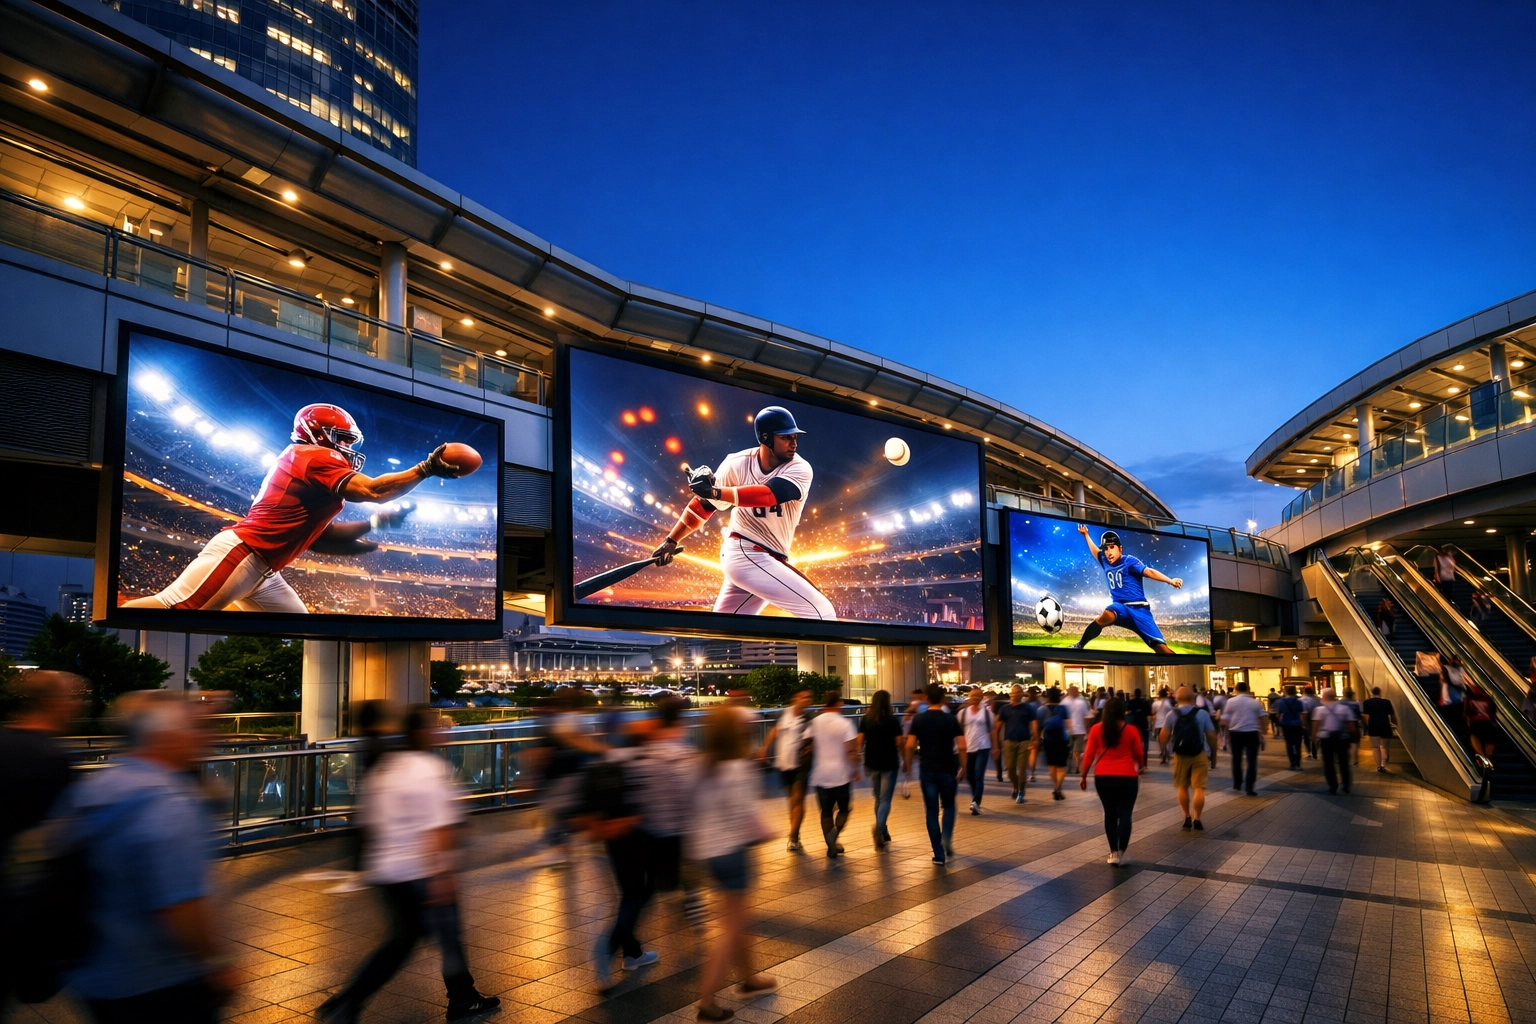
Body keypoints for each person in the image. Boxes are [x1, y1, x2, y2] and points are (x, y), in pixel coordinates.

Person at [123, 403, 465, 612]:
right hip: (245, 553)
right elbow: (375, 490)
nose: (346, 446)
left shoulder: (308, 462)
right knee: (177, 607)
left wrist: (375, 526)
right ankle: (110, 612)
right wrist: (425, 469)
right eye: (341, 437)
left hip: (264, 570)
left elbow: (321, 537)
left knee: (300, 630)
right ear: (318, 434)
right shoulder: (314, 455)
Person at [61, 691, 236, 1024]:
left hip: (94, 972)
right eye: (191, 728)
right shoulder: (168, 803)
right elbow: (181, 907)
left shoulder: (95, 786)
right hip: (157, 981)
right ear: (164, 737)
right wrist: (217, 963)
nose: (200, 737)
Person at [320, 707, 498, 1023]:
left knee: (407, 940)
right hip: (421, 872)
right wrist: (443, 876)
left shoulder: (387, 767)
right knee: (435, 938)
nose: (443, 730)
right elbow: (438, 828)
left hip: (387, 870)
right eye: (436, 726)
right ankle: (458, 1000)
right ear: (424, 732)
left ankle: (351, 1000)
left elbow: (370, 821)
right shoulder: (427, 769)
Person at [650, 406, 836, 620]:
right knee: (822, 612)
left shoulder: (800, 468)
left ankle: (706, 652)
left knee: (724, 629)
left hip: (765, 558)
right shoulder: (736, 463)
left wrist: (715, 491)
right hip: (745, 551)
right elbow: (703, 505)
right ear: (765, 438)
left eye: (795, 437)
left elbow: (768, 494)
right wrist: (671, 539)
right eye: (786, 437)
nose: (794, 443)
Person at [0, 670, 85, 1008]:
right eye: (72, 698)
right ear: (54, 703)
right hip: (19, 906)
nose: (77, 705)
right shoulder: (53, 759)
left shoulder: (4, 743)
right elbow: (62, 843)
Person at [692, 707, 777, 1021]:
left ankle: (750, 978)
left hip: (708, 852)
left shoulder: (703, 764)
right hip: (733, 852)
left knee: (737, 919)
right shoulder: (739, 768)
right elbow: (746, 816)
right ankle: (706, 999)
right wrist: (767, 832)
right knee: (731, 927)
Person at [1069, 525, 1187, 655]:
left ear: (1120, 548)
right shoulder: (1105, 561)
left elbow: (1150, 572)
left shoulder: (1129, 561)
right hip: (1121, 607)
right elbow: (1095, 551)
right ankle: (1080, 645)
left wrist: (1170, 581)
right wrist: (1086, 535)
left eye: (1112, 547)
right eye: (1106, 549)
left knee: (1162, 650)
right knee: (1107, 614)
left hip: (1140, 610)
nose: (1108, 552)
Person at [1079, 697, 1145, 865]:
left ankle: (1113, 853)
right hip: (1127, 776)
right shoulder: (1131, 730)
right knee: (1125, 815)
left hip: (1103, 777)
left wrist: (1084, 775)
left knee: (1110, 814)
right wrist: (1142, 765)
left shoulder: (1096, 729)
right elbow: (1138, 752)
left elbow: (1089, 755)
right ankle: (1122, 852)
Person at [906, 683, 967, 865]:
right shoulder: (951, 719)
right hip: (948, 768)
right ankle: (946, 838)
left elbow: (909, 745)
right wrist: (964, 767)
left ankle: (938, 854)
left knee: (931, 812)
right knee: (949, 806)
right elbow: (962, 746)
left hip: (927, 770)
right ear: (942, 699)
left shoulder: (918, 719)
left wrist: (908, 766)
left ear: (926, 698)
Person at [758, 688, 812, 851]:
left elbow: (811, 740)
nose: (807, 699)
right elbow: (774, 730)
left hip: (801, 765)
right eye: (804, 696)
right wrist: (765, 748)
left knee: (797, 799)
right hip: (784, 764)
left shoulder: (808, 718)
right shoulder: (784, 714)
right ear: (795, 698)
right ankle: (796, 834)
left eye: (809, 697)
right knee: (792, 801)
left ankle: (793, 836)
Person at [808, 690, 859, 859]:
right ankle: (834, 837)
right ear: (839, 704)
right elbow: (851, 750)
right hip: (841, 774)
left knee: (826, 811)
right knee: (844, 809)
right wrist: (856, 769)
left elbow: (807, 744)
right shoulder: (845, 724)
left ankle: (830, 846)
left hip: (820, 773)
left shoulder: (815, 722)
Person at [1159, 686, 1217, 832]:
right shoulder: (1202, 714)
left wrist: (1164, 751)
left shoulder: (1172, 714)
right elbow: (1211, 735)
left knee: (1182, 786)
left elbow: (1163, 736)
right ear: (1193, 698)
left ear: (1177, 699)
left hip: (1180, 754)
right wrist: (1214, 754)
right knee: (1199, 788)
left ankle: (1186, 817)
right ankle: (1197, 818)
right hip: (1199, 753)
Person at [857, 690, 903, 850]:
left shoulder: (865, 719)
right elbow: (899, 742)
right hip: (889, 762)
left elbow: (860, 742)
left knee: (878, 798)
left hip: (871, 762)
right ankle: (879, 828)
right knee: (885, 799)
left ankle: (882, 830)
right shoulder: (893, 720)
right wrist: (905, 759)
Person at [1310, 688, 1358, 795]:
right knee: (1343, 762)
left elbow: (1315, 726)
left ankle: (1332, 785)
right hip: (1342, 738)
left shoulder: (1319, 710)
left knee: (1328, 763)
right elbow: (1351, 726)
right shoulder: (1344, 709)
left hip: (1326, 739)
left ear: (1324, 696)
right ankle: (1346, 785)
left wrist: (1314, 739)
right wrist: (1353, 738)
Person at [1223, 682, 1266, 796]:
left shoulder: (1231, 701)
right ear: (1248, 689)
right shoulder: (1255, 702)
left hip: (1235, 733)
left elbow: (1225, 718)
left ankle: (1237, 783)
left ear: (1236, 690)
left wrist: (1226, 732)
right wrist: (1264, 731)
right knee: (1252, 761)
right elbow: (1262, 717)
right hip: (1252, 733)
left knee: (1236, 759)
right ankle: (1249, 787)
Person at [997, 684, 1038, 804]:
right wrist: (997, 743)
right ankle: (1015, 786)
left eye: (1018, 692)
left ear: (1022, 694)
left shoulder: (1028, 708)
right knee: (1010, 769)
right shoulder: (1005, 709)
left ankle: (1021, 790)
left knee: (1022, 768)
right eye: (1013, 692)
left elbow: (1034, 723)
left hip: (1024, 741)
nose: (1015, 695)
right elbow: (998, 726)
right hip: (1009, 741)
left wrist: (1035, 738)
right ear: (1010, 694)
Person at [957, 687, 995, 814]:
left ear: (981, 697)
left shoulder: (986, 713)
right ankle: (975, 797)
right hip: (967, 747)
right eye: (973, 696)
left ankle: (975, 802)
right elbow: (957, 731)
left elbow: (992, 730)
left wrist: (996, 747)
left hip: (983, 746)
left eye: (978, 696)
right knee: (970, 776)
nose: (975, 698)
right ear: (969, 697)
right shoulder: (962, 713)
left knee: (979, 775)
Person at [1037, 688, 1071, 800]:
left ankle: (1055, 787)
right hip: (1062, 740)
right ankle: (1057, 789)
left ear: (1047, 697)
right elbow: (1068, 725)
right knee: (1062, 766)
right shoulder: (1063, 708)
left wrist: (1036, 739)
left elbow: (1037, 726)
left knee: (1052, 766)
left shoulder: (1042, 709)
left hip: (1048, 740)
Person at [1361, 687, 1397, 772]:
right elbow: (1392, 714)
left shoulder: (1367, 702)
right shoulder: (1386, 702)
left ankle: (1378, 766)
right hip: (1384, 724)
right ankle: (1384, 764)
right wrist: (1395, 724)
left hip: (1373, 725)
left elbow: (1366, 716)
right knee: (1384, 746)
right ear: (1380, 693)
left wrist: (1367, 726)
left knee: (1375, 746)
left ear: (1371, 693)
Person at [1464, 681, 1499, 761]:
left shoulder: (1469, 698)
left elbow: (1466, 713)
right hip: (1489, 726)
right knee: (1488, 745)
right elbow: (1493, 713)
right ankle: (1488, 761)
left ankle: (1480, 760)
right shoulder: (1487, 698)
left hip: (1476, 725)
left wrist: (1469, 727)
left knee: (1476, 744)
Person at [1274, 685, 1305, 769]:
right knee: (1298, 743)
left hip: (1286, 723)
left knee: (1289, 743)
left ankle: (1292, 762)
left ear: (1286, 692)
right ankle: (1298, 762)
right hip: (1297, 723)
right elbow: (1302, 713)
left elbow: (1279, 713)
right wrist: (1303, 724)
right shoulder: (1299, 702)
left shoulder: (1281, 702)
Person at [1061, 684, 1090, 774]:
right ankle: (1076, 767)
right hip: (1079, 730)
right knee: (1077, 751)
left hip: (1068, 731)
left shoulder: (1064, 702)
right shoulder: (1082, 702)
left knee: (1069, 750)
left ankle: (1070, 767)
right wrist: (1087, 727)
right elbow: (1086, 716)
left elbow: (1061, 716)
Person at [1152, 688, 1174, 764]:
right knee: (1167, 740)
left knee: (1160, 740)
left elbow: (1153, 713)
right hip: (1167, 724)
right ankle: (1166, 752)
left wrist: (1153, 724)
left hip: (1159, 723)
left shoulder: (1155, 703)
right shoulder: (1169, 703)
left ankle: (1163, 753)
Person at [1299, 686, 1322, 759]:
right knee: (1314, 737)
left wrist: (1304, 724)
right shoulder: (1317, 700)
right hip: (1317, 720)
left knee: (1306, 737)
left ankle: (1309, 752)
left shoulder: (1302, 700)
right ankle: (1315, 752)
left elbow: (1304, 714)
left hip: (1308, 720)